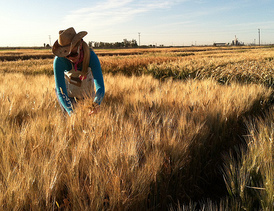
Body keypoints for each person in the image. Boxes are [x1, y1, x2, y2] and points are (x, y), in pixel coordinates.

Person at [52, 27, 105, 116]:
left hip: (87, 94)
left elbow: (100, 86)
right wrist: (70, 112)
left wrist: (96, 103)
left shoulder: (91, 56)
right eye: (66, 55)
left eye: (73, 53)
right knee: (70, 120)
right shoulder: (59, 61)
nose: (70, 58)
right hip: (68, 95)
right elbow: (61, 91)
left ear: (80, 46)